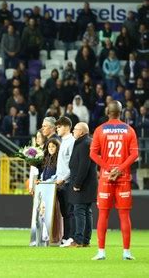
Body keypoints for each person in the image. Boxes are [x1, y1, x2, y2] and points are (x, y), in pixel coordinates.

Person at [90, 101, 139, 260]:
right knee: (124, 215)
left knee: (103, 214)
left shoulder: (99, 130)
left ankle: (101, 252)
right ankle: (126, 252)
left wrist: (109, 169)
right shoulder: (129, 130)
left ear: (107, 111)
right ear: (121, 111)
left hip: (106, 177)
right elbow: (134, 155)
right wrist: (119, 168)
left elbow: (93, 154)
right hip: (123, 177)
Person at [68, 122, 97, 248]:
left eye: (75, 129)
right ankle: (85, 240)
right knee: (86, 211)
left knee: (79, 210)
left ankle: (79, 240)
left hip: (83, 184)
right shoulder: (85, 142)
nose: (73, 131)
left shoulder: (85, 144)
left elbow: (83, 166)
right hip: (88, 183)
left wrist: (77, 183)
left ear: (82, 132)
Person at [53, 116, 76, 247]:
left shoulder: (71, 142)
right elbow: (61, 164)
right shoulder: (62, 141)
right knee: (64, 212)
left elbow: (72, 165)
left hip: (66, 182)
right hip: (60, 182)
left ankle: (71, 237)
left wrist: (64, 178)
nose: (57, 129)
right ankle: (66, 237)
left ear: (67, 127)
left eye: (59, 126)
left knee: (69, 212)